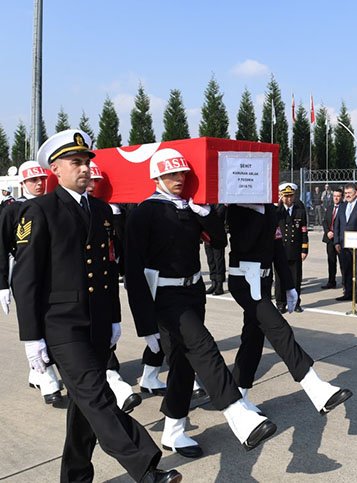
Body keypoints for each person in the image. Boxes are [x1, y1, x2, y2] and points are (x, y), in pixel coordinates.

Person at [13, 130, 179, 483]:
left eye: (88, 161)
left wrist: (115, 318)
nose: (86, 168)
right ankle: (146, 466)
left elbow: (106, 268)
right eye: (77, 163)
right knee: (98, 396)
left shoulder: (101, 210)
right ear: (56, 169)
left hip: (98, 323)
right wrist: (32, 337)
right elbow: (25, 279)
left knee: (84, 406)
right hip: (62, 326)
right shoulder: (39, 209)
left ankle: (74, 477)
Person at [126, 148, 276, 458]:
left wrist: (207, 216)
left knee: (182, 364)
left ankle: (174, 430)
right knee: (204, 346)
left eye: (181, 174)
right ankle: (238, 414)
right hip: (165, 297)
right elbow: (132, 270)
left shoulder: (190, 208)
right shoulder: (145, 212)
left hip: (193, 291)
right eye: (170, 174)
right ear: (156, 177)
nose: (178, 179)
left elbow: (218, 243)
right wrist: (144, 323)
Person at [226, 203, 352, 418]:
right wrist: (258, 214)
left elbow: (278, 249)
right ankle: (315, 387)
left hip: (264, 281)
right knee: (279, 329)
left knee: (253, 340)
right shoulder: (237, 209)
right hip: (245, 281)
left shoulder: (269, 210)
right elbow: (243, 245)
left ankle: (239, 395)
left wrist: (289, 285)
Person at [0, 161, 64, 406]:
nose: (38, 184)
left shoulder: (51, 205)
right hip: (24, 269)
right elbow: (2, 247)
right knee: (32, 319)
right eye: (32, 180)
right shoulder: (10, 209)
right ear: (22, 183)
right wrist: (2, 284)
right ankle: (45, 374)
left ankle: (36, 371)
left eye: (40, 180)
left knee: (50, 319)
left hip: (52, 271)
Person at [86, 161, 144, 413]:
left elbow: (115, 247)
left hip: (104, 279)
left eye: (95, 181)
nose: (91, 185)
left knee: (106, 332)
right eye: (89, 180)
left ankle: (111, 374)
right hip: (75, 286)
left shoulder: (104, 211)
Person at [275, 183, 308, 313]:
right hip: (280, 250)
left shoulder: (300, 211)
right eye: (286, 196)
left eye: (291, 196)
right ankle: (281, 303)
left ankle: (295, 303)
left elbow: (304, 231)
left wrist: (304, 249)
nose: (288, 199)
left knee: (295, 279)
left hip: (295, 250)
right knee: (280, 280)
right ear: (282, 196)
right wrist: (278, 203)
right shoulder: (278, 211)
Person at [321, 187, 342, 289]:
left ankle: (346, 283)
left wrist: (336, 233)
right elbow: (324, 221)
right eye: (334, 196)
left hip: (340, 239)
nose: (336, 198)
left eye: (338, 196)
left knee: (343, 262)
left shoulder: (344, 208)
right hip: (329, 239)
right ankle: (331, 281)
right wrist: (328, 231)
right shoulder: (329, 208)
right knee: (331, 261)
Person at [204, 204, 227, 295]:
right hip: (207, 235)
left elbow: (218, 215)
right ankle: (213, 282)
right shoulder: (207, 205)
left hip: (218, 236)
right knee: (211, 260)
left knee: (219, 260)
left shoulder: (222, 204)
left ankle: (219, 285)